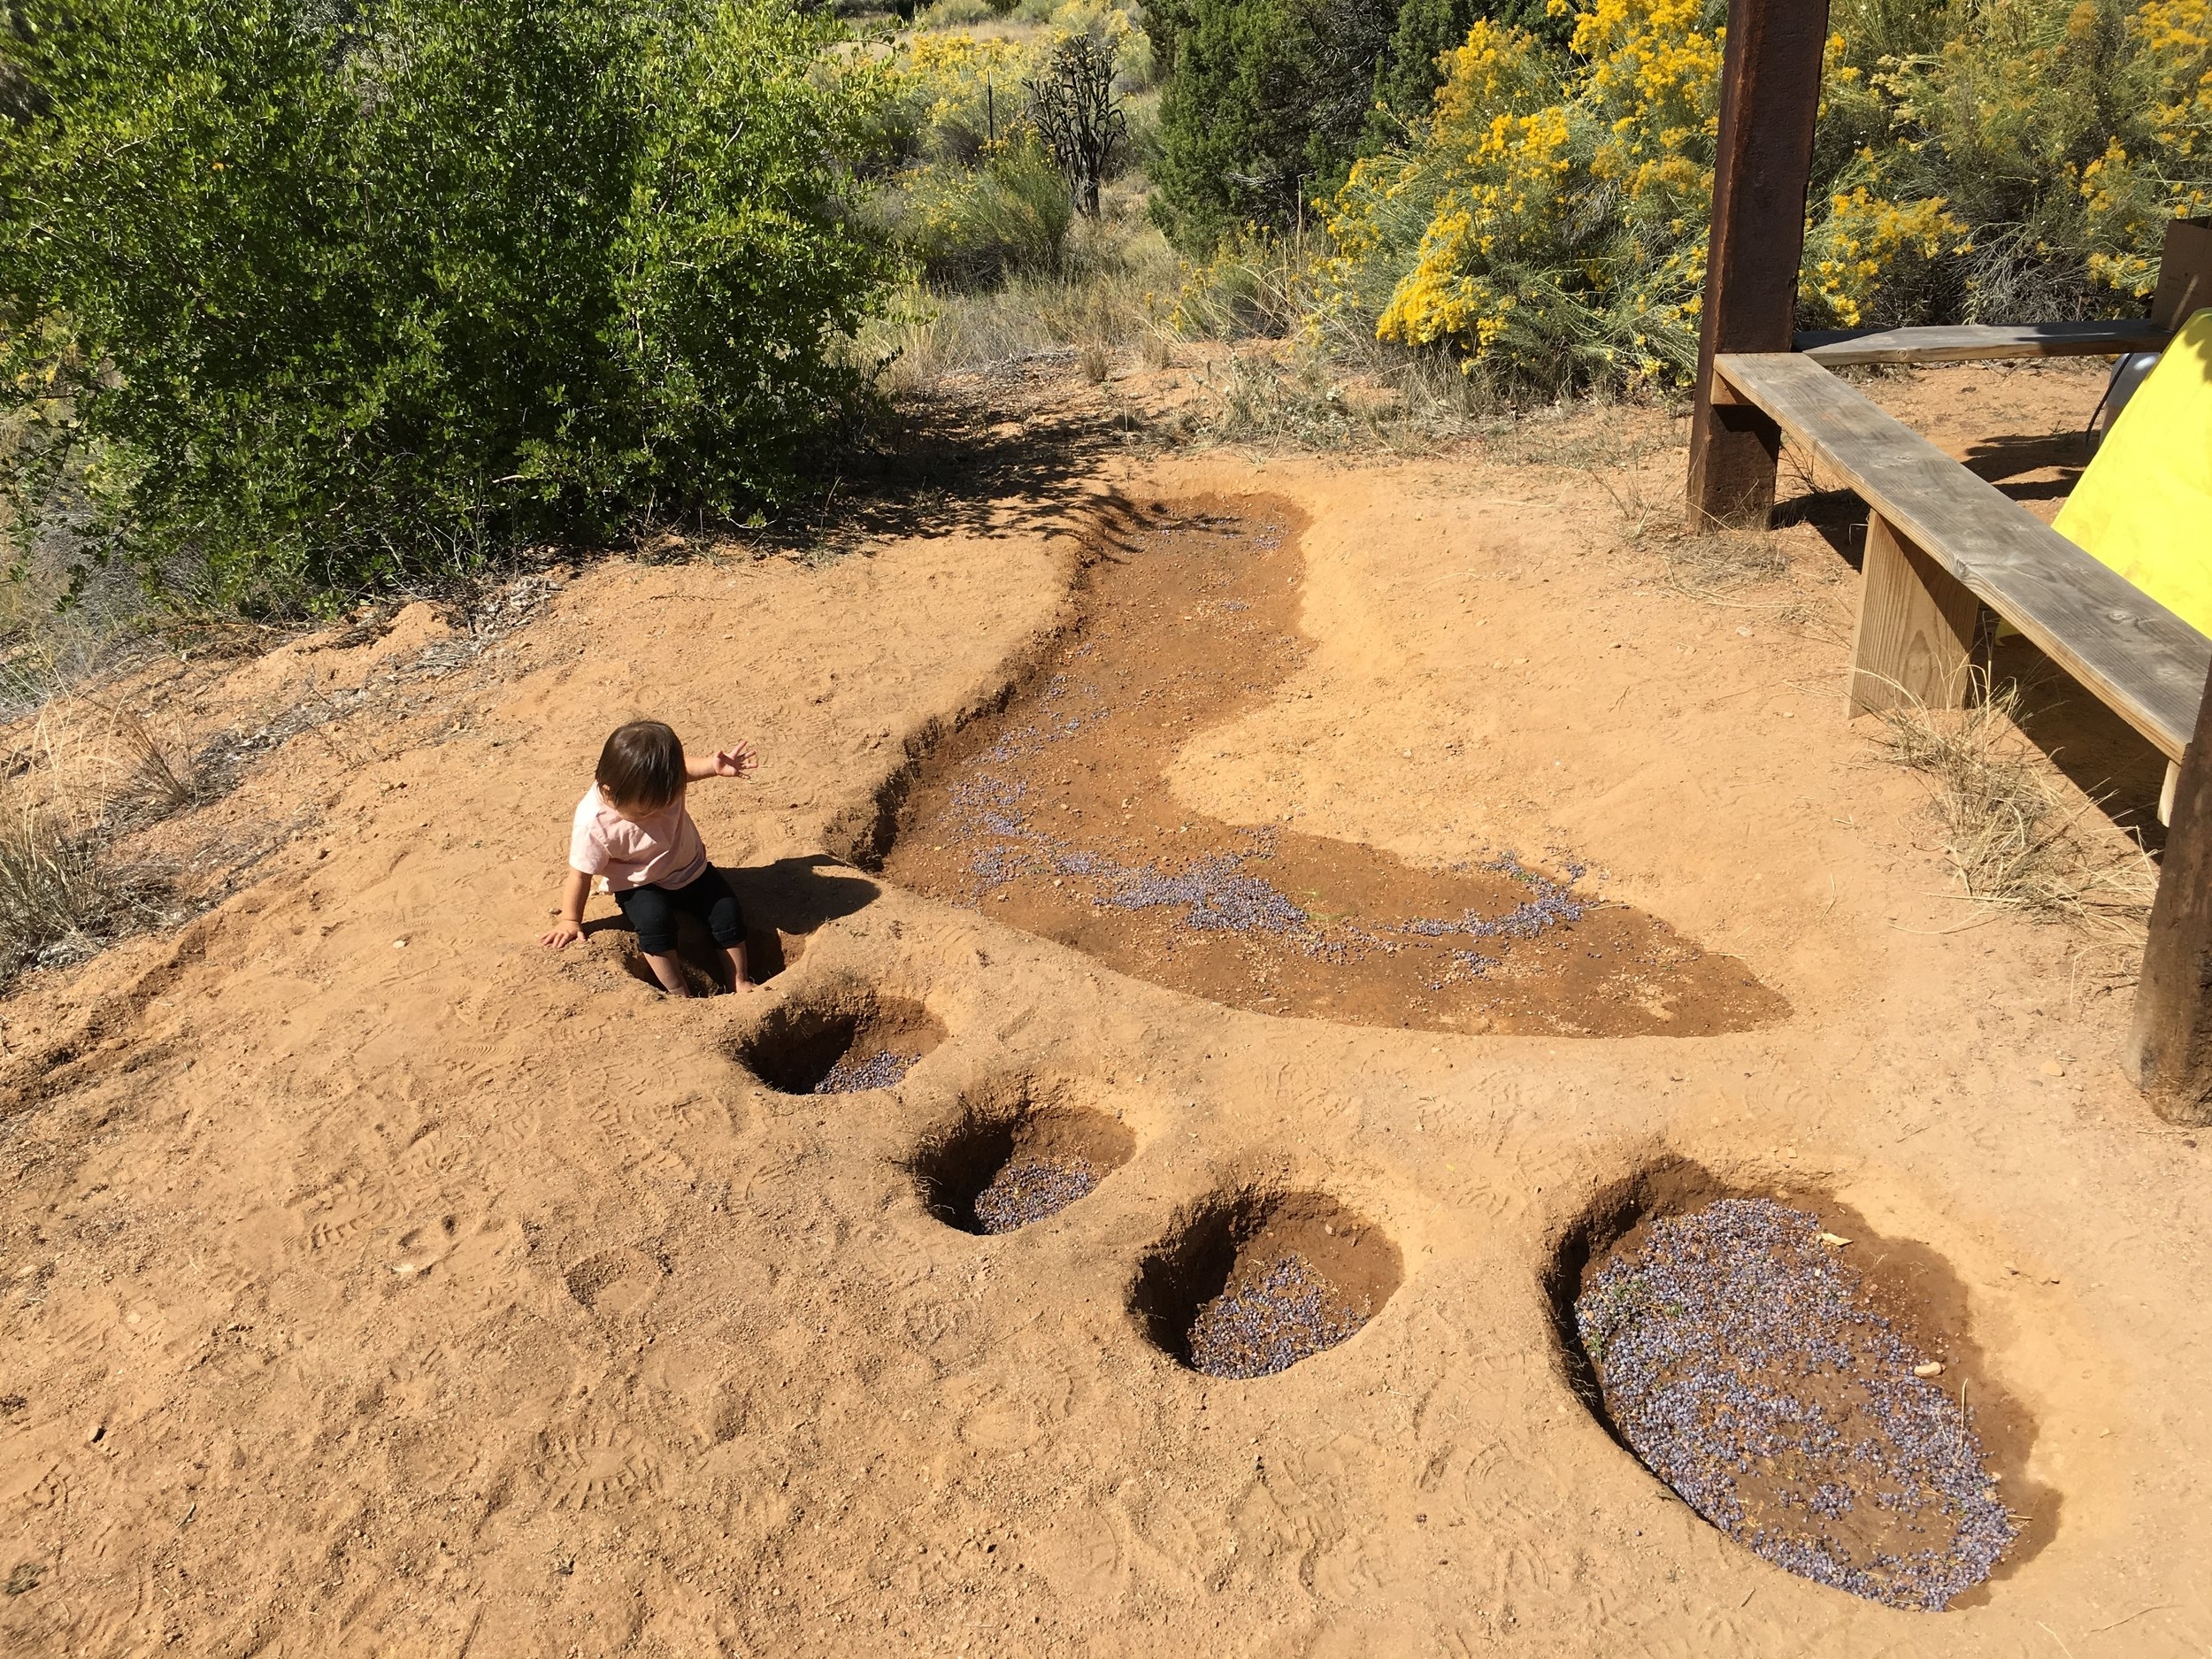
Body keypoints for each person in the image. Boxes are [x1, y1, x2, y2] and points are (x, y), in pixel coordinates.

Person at [541, 719, 759, 995]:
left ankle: (739, 980)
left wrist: (712, 767)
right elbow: (580, 874)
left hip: (690, 870)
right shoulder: (593, 822)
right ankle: (679, 992)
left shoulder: (660, 784)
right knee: (656, 925)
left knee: (727, 911)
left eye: (666, 802)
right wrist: (571, 920)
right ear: (610, 793)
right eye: (645, 812)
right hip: (639, 884)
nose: (656, 816)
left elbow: (682, 769)